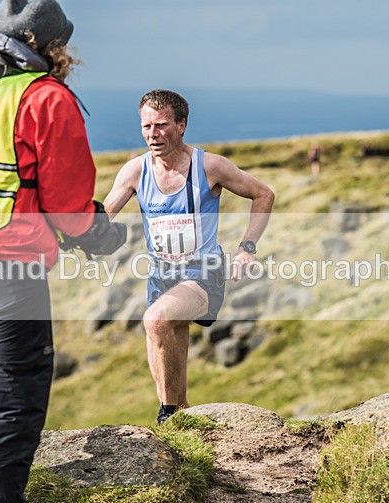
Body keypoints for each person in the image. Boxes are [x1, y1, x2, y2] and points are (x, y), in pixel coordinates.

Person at [0, 0, 125, 503]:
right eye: (64, 42)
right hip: (7, 272)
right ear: (48, 45)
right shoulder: (46, 98)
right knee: (18, 398)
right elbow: (69, 207)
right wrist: (102, 232)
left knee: (0, 384)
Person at [103, 89, 275, 425]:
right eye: (147, 126)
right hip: (160, 277)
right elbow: (104, 215)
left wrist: (247, 248)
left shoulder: (209, 166)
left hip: (203, 274)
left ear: (181, 125)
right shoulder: (135, 171)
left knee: (155, 320)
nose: (153, 134)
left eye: (161, 125)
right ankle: (179, 418)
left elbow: (263, 194)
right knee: (165, 341)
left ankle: (167, 417)